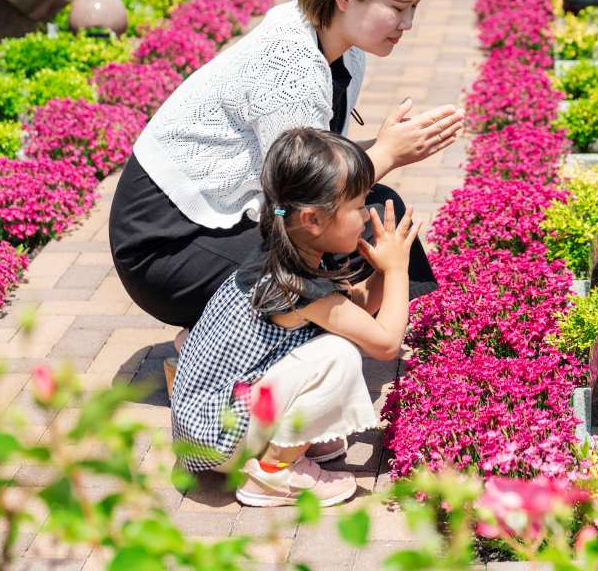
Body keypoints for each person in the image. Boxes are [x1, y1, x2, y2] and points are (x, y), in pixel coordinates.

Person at [108, 0, 459, 379]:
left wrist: (386, 151)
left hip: (233, 216)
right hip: (168, 242)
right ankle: (211, 354)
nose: (407, 23)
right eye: (398, 7)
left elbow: (319, 166)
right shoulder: (288, 69)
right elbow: (300, 201)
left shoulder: (344, 51)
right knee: (308, 261)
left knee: (378, 212)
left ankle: (395, 332)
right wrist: (387, 152)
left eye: (414, 7)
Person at [171, 127, 419, 506]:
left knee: (333, 343)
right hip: (220, 439)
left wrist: (383, 271)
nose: (366, 214)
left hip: (209, 427)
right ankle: (273, 474)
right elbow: (385, 343)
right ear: (313, 221)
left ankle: (293, 442)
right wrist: (400, 270)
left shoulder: (281, 256)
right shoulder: (295, 286)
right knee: (339, 355)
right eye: (357, 206)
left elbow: (354, 311)